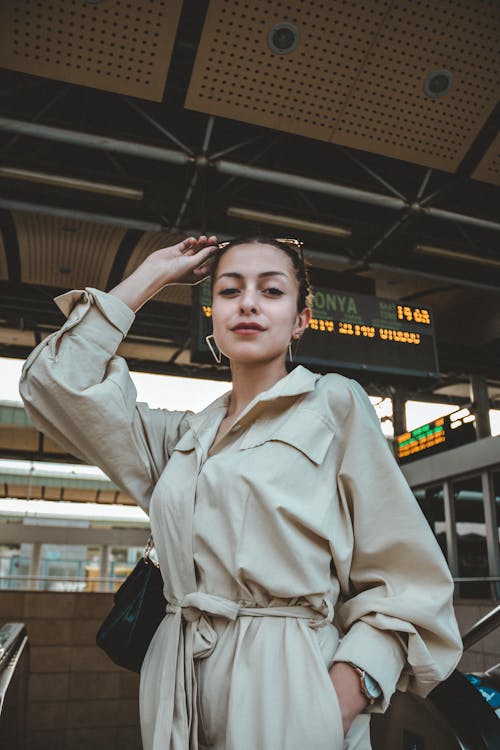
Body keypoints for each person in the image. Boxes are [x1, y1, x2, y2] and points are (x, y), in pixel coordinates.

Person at [20, 235, 462, 750]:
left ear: (301, 319)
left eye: (271, 291)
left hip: (287, 679)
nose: (248, 302)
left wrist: (343, 694)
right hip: (177, 680)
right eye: (230, 291)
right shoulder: (185, 437)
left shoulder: (334, 404)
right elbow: (54, 386)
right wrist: (152, 275)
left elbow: (408, 578)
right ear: (213, 314)